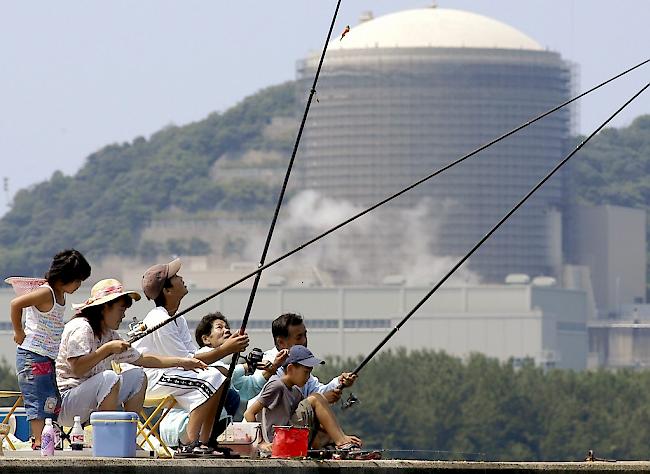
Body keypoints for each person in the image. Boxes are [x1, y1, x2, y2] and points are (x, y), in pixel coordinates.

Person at [132, 259, 249, 456]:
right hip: (151, 378)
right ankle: (189, 441)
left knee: (219, 378)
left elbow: (192, 355)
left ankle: (206, 441)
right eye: (176, 277)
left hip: (171, 372)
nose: (181, 278)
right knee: (210, 377)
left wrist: (224, 347)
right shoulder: (159, 319)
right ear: (167, 291)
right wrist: (226, 350)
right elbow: (187, 362)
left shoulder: (178, 318)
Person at [55, 279, 207, 428]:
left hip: (93, 400)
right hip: (68, 403)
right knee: (110, 377)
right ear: (104, 308)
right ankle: (107, 438)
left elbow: (142, 359)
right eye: (121, 310)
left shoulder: (109, 334)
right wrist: (107, 349)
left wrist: (181, 361)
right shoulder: (81, 327)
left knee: (138, 376)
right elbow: (77, 368)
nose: (123, 316)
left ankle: (129, 435)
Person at [159, 312, 289, 448]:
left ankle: (207, 442)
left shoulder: (223, 364)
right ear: (206, 339)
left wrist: (270, 370)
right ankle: (200, 442)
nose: (226, 330)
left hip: (192, 428)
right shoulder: (198, 357)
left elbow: (247, 389)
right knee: (228, 394)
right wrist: (247, 366)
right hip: (178, 427)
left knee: (233, 396)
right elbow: (219, 372)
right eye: (219, 327)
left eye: (227, 327)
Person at [10, 249, 91, 449]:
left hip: (46, 356)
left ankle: (46, 439)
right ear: (66, 277)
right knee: (38, 398)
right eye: (78, 281)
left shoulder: (59, 295)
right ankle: (39, 441)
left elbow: (52, 323)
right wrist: (18, 332)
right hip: (33, 355)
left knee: (50, 398)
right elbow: (15, 304)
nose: (79, 285)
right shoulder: (46, 292)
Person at [244, 345, 362, 452]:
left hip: (288, 437)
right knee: (315, 398)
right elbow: (249, 413)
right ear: (290, 369)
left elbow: (310, 413)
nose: (308, 377)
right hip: (275, 440)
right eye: (306, 372)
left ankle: (336, 443)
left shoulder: (295, 391)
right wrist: (261, 442)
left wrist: (338, 433)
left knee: (317, 414)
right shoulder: (276, 385)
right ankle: (342, 442)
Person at [258, 313, 357, 403]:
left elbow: (317, 391)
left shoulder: (300, 364)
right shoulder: (267, 367)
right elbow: (282, 406)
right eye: (298, 337)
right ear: (281, 342)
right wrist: (320, 399)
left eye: (305, 335)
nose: (304, 341)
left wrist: (340, 382)